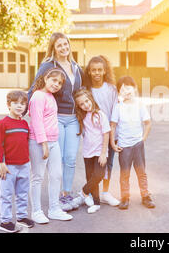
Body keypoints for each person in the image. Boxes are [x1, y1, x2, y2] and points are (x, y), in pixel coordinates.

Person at [27, 32, 84, 211]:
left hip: (74, 118)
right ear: (53, 47)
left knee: (70, 158)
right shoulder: (47, 66)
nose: (63, 48)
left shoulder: (76, 67)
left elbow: (82, 91)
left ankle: (65, 194)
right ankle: (55, 198)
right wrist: (23, 109)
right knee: (56, 161)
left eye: (65, 44)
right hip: (56, 118)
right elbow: (35, 87)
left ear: (69, 45)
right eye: (59, 45)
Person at [28, 68, 73, 223]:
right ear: (46, 78)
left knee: (56, 175)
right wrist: (44, 144)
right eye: (54, 80)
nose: (56, 84)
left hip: (53, 142)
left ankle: (54, 209)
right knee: (37, 177)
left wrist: (51, 143)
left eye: (60, 83)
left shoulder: (50, 96)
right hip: (39, 142)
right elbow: (37, 121)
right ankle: (36, 211)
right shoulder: (38, 96)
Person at [110, 76, 155, 210]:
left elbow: (148, 123)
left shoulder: (140, 105)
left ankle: (145, 196)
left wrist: (143, 139)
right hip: (124, 146)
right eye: (123, 89)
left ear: (134, 88)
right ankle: (125, 197)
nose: (127, 91)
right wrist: (113, 143)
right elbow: (113, 125)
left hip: (137, 145)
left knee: (141, 172)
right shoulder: (118, 107)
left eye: (129, 88)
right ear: (119, 92)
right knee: (125, 173)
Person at [0, 90, 35, 233]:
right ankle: (5, 221)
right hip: (8, 167)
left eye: (23, 104)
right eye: (16, 103)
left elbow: (26, 144)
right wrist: (2, 163)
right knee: (6, 194)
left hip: (24, 165)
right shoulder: (3, 123)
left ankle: (21, 217)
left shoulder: (25, 124)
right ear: (8, 105)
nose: (19, 106)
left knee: (22, 193)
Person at [83, 55, 120, 207]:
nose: (97, 73)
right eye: (93, 70)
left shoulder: (111, 89)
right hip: (93, 136)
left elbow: (115, 111)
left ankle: (105, 193)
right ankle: (92, 193)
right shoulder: (86, 90)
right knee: (92, 166)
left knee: (108, 164)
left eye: (99, 70)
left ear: (105, 71)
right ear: (89, 72)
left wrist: (114, 133)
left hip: (109, 133)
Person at [73, 88, 111, 214]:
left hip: (100, 152)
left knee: (98, 175)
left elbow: (106, 133)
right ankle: (96, 203)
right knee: (90, 177)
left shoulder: (100, 114)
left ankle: (83, 193)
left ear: (91, 99)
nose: (86, 105)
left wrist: (104, 153)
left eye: (87, 101)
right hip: (87, 152)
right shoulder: (82, 117)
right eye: (82, 104)